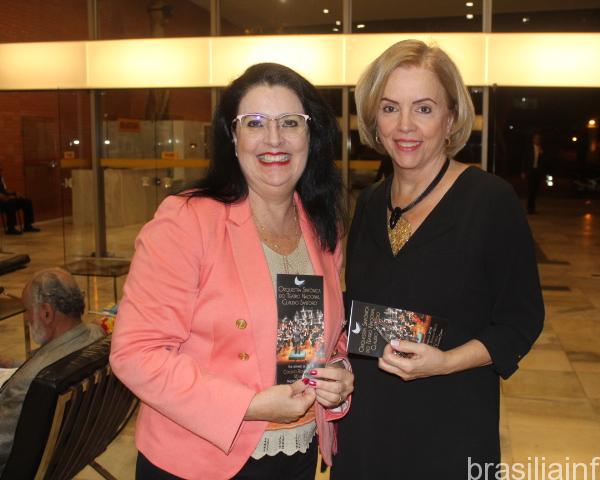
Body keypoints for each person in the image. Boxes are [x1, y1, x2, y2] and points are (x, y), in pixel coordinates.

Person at [110, 63, 354, 480]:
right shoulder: (187, 220)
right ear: (232, 137)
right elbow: (136, 353)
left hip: (297, 454)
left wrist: (340, 376)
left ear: (311, 136)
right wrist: (249, 406)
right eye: (254, 122)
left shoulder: (320, 225)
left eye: (290, 122)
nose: (274, 138)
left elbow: (332, 337)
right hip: (199, 461)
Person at [332, 40, 544, 480]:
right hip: (367, 425)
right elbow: (362, 309)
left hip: (450, 423)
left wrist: (445, 362)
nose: (405, 125)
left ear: (450, 118)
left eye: (424, 109)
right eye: (390, 108)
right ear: (373, 119)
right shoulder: (369, 202)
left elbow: (520, 322)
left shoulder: (489, 201)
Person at [0, 268, 104, 474]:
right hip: (71, 451)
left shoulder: (28, 383)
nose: (26, 318)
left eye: (27, 310)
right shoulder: (96, 335)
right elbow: (57, 363)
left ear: (46, 313)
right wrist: (13, 363)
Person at [0, 167, 40, 235]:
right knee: (11, 203)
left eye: (1, 171)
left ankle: (27, 226)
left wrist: (14, 193)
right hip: (1, 202)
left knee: (27, 201)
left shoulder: (1, 179)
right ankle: (11, 228)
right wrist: (8, 197)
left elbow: (5, 190)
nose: (1, 173)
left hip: (6, 199)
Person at [522, 132, 545, 214]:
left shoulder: (541, 149)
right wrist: (523, 171)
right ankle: (529, 208)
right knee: (530, 190)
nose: (537, 140)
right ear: (533, 139)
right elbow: (524, 160)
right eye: (536, 138)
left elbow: (544, 162)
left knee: (535, 190)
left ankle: (533, 208)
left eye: (539, 138)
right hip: (530, 171)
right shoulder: (529, 149)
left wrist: (542, 154)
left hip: (537, 172)